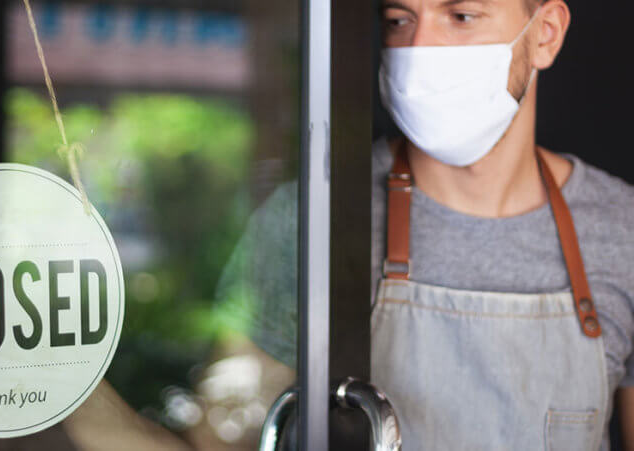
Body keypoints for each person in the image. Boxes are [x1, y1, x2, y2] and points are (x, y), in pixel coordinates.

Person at [215, 0, 634, 449]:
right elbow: (221, 431)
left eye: (461, 17)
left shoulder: (621, 228)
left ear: (545, 33)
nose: (420, 47)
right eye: (399, 21)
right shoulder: (311, 219)